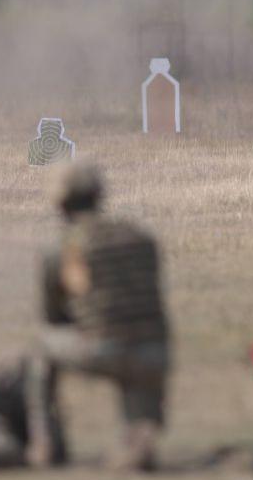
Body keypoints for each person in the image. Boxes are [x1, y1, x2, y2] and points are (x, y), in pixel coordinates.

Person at [31, 161, 171, 471]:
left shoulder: (62, 247)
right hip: (154, 350)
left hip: (103, 346)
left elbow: (52, 314)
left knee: (40, 347)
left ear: (61, 204)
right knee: (138, 361)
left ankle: (46, 442)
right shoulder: (140, 237)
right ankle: (140, 435)